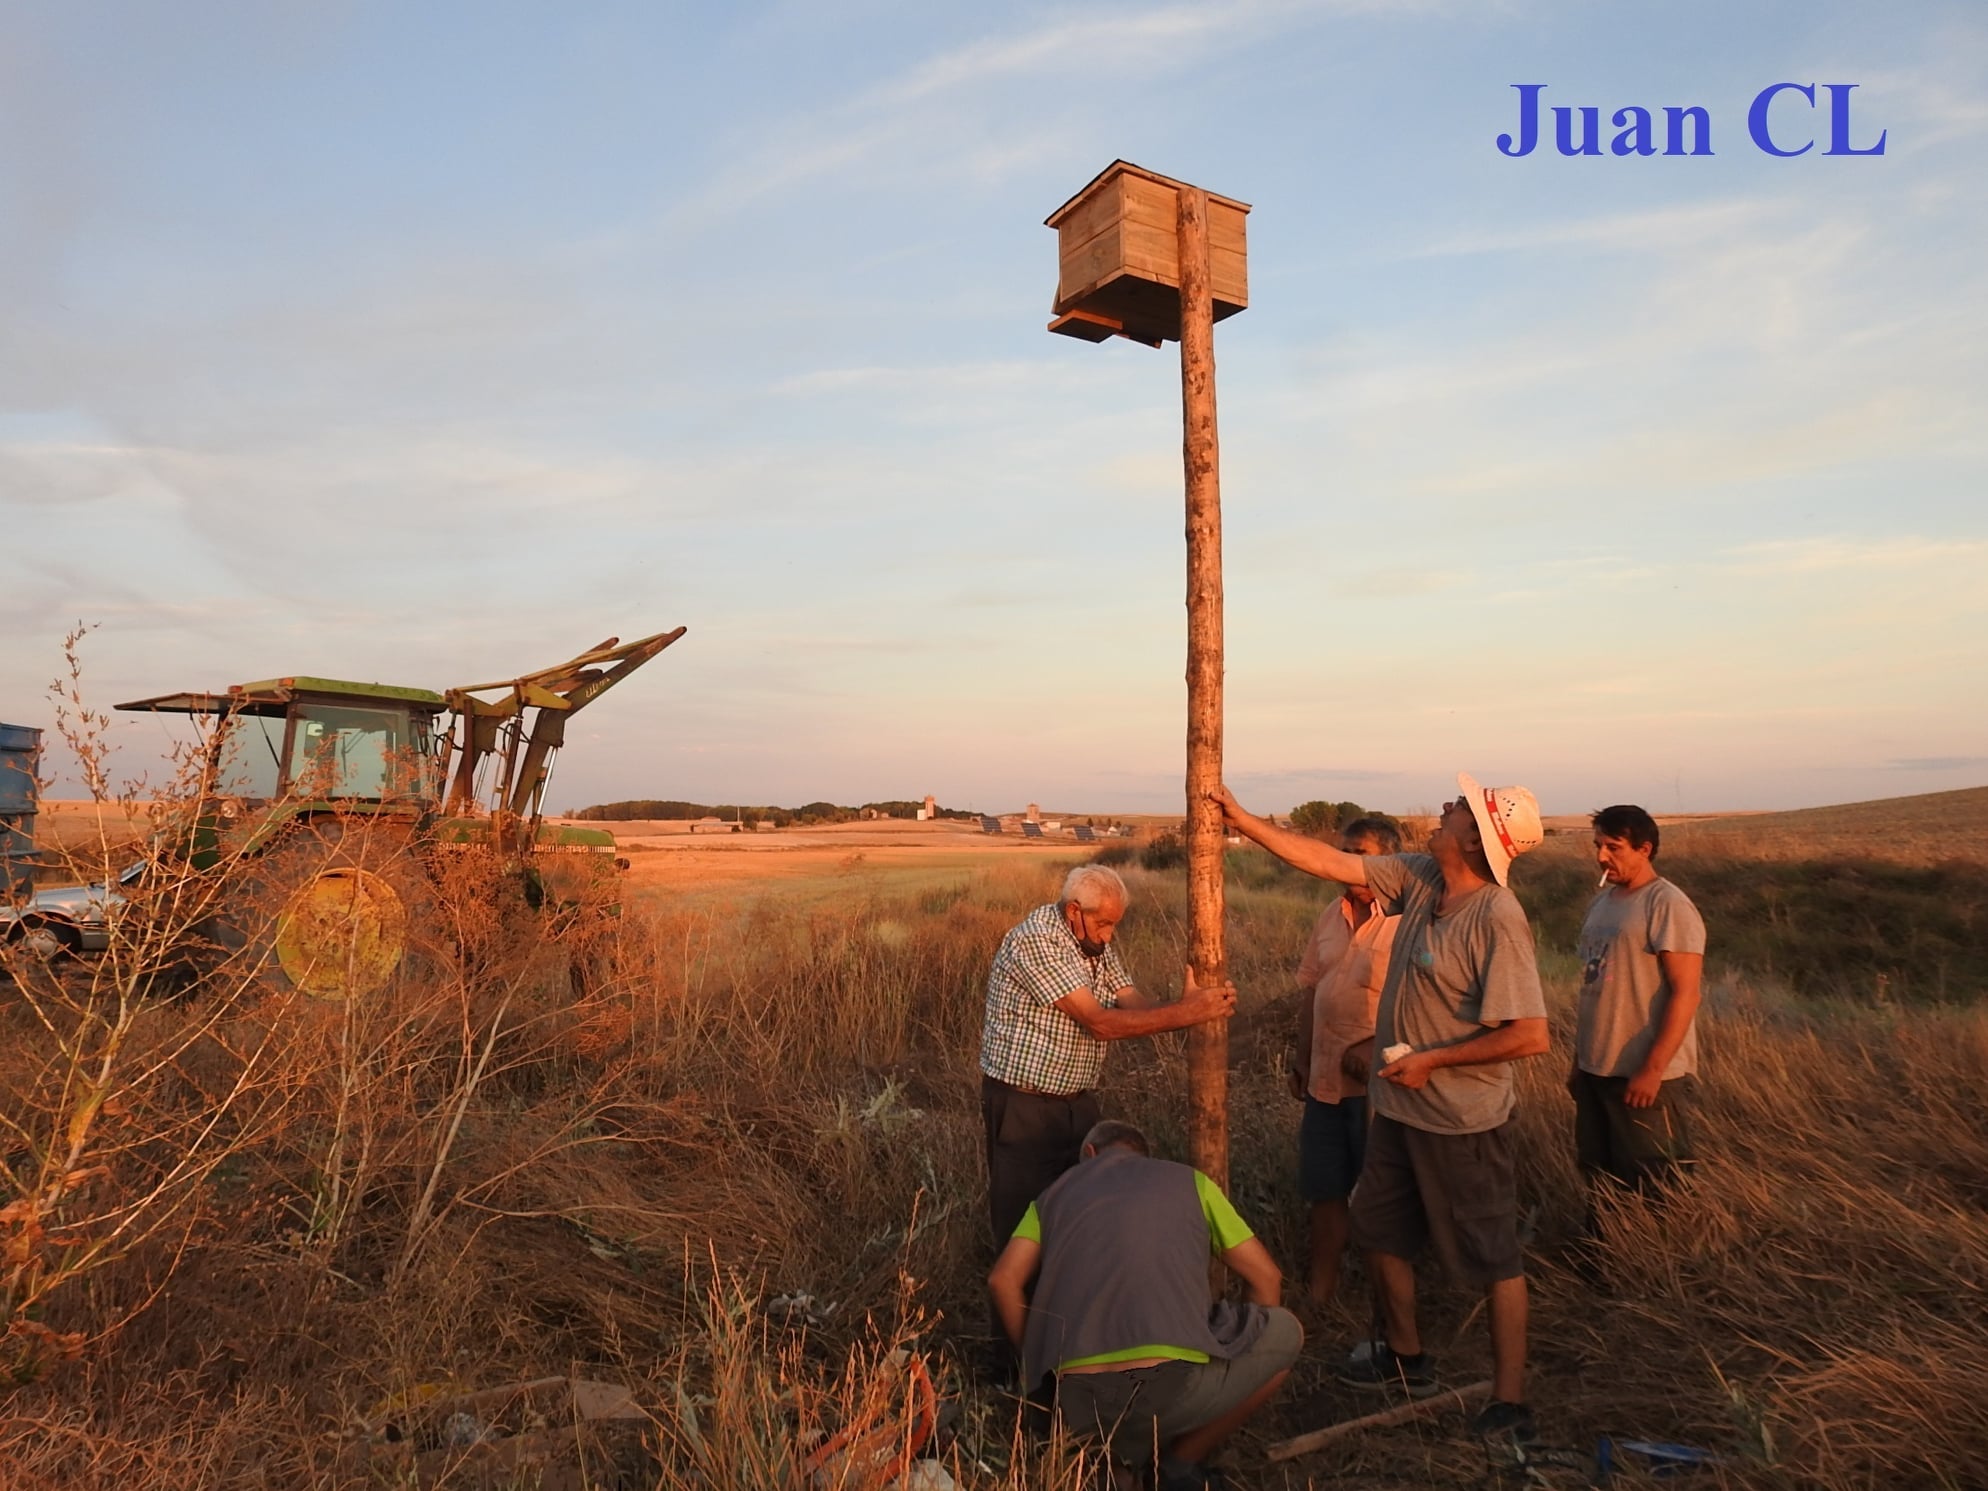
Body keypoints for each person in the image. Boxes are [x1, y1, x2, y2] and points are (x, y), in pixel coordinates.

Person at [1214, 774, 1549, 1442]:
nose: (1447, 807)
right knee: (1376, 1229)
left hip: (1461, 1120)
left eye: (1461, 809)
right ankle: (1406, 1354)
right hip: (1398, 1109)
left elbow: (1529, 1034)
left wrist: (1432, 1059)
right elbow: (1332, 862)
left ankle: (1510, 1399)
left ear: (1476, 840)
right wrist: (1242, 819)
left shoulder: (1497, 918)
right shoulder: (1421, 877)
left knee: (1494, 1257)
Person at [987, 1120, 1302, 1490]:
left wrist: (1039, 1363)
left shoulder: (1052, 1195)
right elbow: (1267, 1278)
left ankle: (1112, 1463)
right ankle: (1179, 1463)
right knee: (1286, 1331)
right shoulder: (1191, 1182)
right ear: (1144, 1155)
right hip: (1170, 1390)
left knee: (1112, 1438)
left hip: (1077, 1401)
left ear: (1089, 1154)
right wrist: (1240, 1339)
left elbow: (1001, 1280)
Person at [979, 863, 1235, 1248]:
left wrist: (1186, 1007)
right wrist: (1185, 1014)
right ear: (1073, 912)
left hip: (1077, 1102)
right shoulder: (1036, 940)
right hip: (1024, 1106)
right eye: (1104, 924)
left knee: (1082, 1213)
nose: (1109, 934)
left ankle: (1068, 1299)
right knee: (1023, 1227)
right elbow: (1099, 1022)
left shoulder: (1094, 943)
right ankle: (1018, 1304)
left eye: (1115, 924)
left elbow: (1131, 1004)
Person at [1288, 816, 1402, 1307]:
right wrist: (1300, 1054)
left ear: (1387, 863)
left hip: (1378, 1090)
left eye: (1358, 855)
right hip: (1324, 1083)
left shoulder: (1407, 923)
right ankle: (1322, 1293)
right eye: (1343, 853)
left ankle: (1389, 1308)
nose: (1345, 865)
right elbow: (1313, 987)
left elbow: (1422, 1008)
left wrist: (1375, 1046)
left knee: (1383, 1199)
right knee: (1325, 1190)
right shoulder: (1330, 916)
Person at [1571, 804, 1706, 1201]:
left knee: (1657, 1182)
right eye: (1598, 845)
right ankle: (1604, 1257)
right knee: (1600, 1177)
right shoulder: (1602, 903)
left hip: (1645, 1076)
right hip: (1597, 1067)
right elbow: (1595, 985)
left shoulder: (1667, 904)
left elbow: (1687, 992)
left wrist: (1652, 1069)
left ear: (1644, 849)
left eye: (1613, 847)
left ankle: (1661, 1260)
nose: (1601, 857)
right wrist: (1579, 1062)